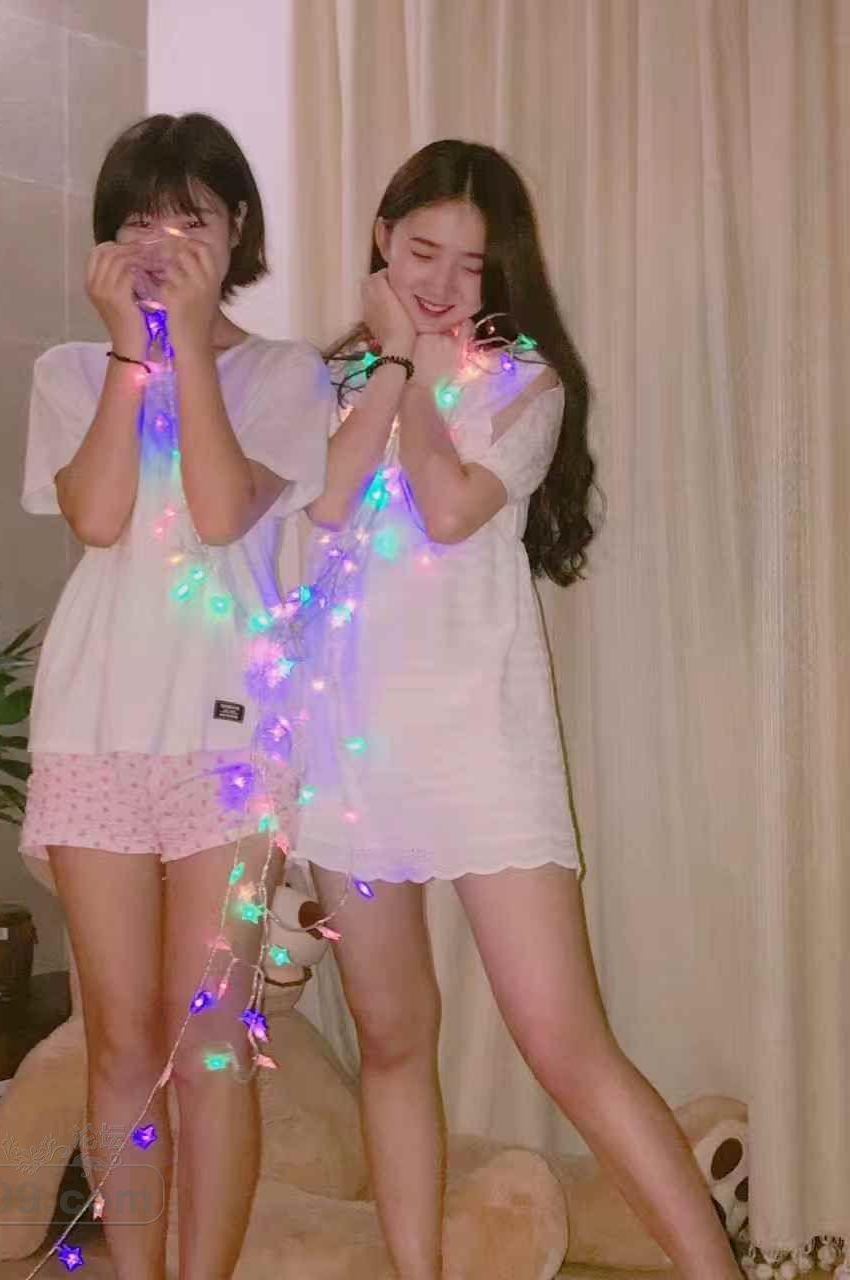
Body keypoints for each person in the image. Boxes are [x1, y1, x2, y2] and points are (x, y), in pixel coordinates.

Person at [299, 139, 741, 1280]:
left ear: (503, 270)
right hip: (353, 744)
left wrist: (409, 367)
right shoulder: (337, 380)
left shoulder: (525, 383)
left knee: (564, 1039)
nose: (443, 281)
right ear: (382, 240)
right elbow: (331, 502)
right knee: (392, 1038)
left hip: (482, 740)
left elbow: (448, 508)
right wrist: (388, 369)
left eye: (471, 262)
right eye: (421, 250)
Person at [19, 113, 333, 1279]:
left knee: (209, 1041)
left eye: (188, 216)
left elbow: (217, 506)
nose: (160, 241)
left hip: (229, 737)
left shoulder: (287, 372)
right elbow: (100, 516)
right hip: (93, 728)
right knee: (119, 1039)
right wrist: (129, 355)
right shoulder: (69, 368)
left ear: (236, 226)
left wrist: (189, 346)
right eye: (139, 218)